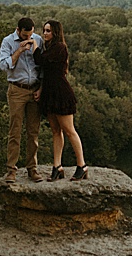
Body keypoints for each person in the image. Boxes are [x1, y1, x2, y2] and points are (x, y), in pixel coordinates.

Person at [34, 19, 87, 181]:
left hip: (61, 93)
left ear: (56, 32)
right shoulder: (49, 47)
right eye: (44, 30)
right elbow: (46, 72)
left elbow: (41, 61)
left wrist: (35, 48)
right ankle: (57, 167)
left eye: (48, 31)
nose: (44, 33)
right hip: (49, 93)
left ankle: (82, 166)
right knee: (55, 131)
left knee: (69, 130)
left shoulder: (60, 48)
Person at [0, 17, 44, 182]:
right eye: (25, 36)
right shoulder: (8, 42)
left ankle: (32, 168)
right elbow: (3, 65)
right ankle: (11, 170)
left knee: (33, 132)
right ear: (18, 30)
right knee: (15, 131)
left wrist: (41, 88)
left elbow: (43, 66)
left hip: (34, 90)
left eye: (30, 35)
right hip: (17, 90)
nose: (28, 39)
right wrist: (19, 50)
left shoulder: (37, 39)